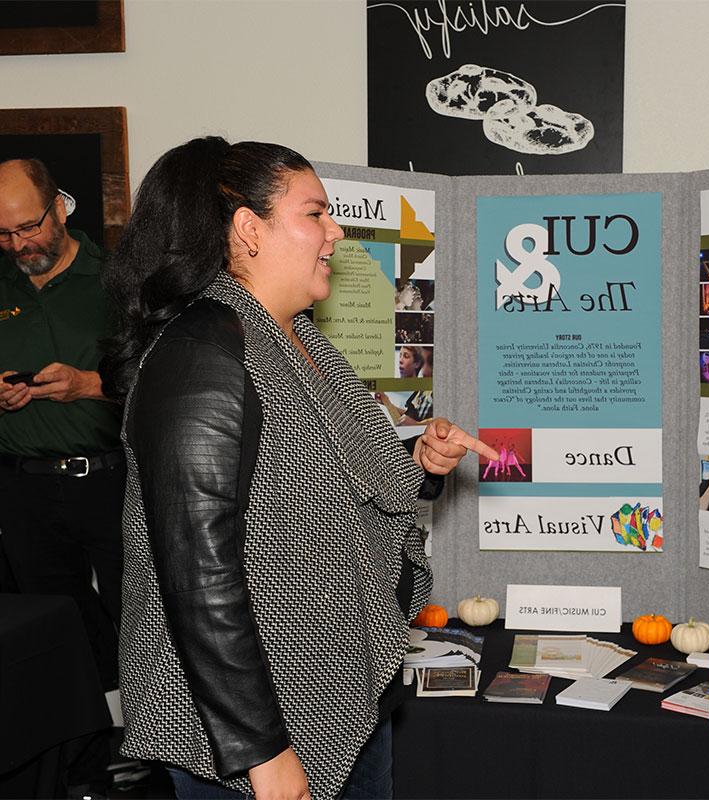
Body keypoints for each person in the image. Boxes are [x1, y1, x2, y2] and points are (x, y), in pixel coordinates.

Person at [100, 137, 497, 800]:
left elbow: (324, 482)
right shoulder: (200, 355)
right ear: (249, 229)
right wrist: (264, 751)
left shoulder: (297, 337)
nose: (335, 232)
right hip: (245, 740)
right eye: (315, 213)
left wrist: (420, 466)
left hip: (339, 695)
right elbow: (197, 572)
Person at [0, 157, 123, 794]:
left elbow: (158, 379)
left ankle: (155, 739)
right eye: (4, 235)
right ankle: (84, 762)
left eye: (29, 227)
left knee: (143, 612)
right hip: (21, 487)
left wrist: (88, 383)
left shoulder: (118, 280)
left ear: (61, 207)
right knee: (56, 628)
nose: (20, 245)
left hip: (109, 480)